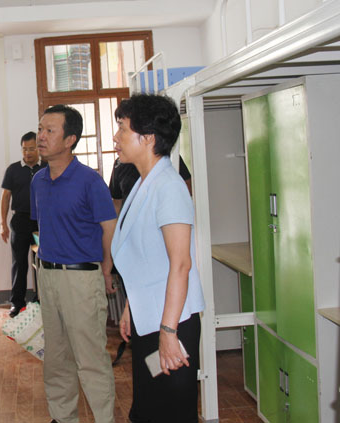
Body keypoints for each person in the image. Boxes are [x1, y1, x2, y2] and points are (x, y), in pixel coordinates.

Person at [111, 93, 205, 423]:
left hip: (172, 321)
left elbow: (180, 264)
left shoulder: (169, 186)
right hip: (149, 315)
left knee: (170, 410)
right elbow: (146, 258)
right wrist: (130, 307)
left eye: (123, 128)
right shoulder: (144, 183)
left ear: (148, 137)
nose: (116, 137)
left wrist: (168, 331)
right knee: (149, 407)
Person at [31, 104, 117, 423]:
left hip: (81, 279)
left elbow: (109, 228)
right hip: (48, 275)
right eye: (40, 129)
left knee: (90, 359)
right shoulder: (38, 180)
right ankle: (62, 417)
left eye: (49, 131)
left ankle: (104, 418)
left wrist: (106, 270)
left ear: (70, 140)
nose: (41, 136)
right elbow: (43, 226)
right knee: (56, 359)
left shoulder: (90, 181)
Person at [0, 131, 47, 318]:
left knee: (42, 261)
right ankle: (17, 303)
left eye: (31, 148)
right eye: (24, 149)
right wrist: (2, 223)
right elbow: (5, 197)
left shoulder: (46, 167)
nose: (27, 153)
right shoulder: (13, 169)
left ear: (38, 149)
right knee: (19, 263)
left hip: (41, 223)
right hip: (20, 221)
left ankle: (41, 299)